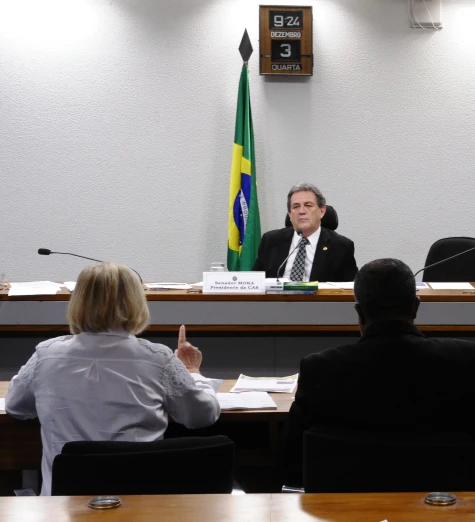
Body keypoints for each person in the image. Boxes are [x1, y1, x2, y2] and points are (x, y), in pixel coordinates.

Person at [281, 258, 475, 489]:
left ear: (359, 312)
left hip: (350, 508)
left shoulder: (320, 368)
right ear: (415, 307)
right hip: (451, 508)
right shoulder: (469, 360)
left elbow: (292, 456)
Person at [4, 262, 220, 495]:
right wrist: (194, 374)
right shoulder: (158, 359)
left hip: (64, 506)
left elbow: (16, 407)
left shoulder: (46, 355)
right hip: (142, 504)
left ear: (78, 302)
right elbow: (202, 415)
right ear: (136, 302)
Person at [251, 183, 358, 282]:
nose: (301, 211)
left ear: (322, 211)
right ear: (289, 214)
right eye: (296, 206)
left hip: (318, 302)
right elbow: (255, 282)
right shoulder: (271, 241)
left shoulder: (341, 247)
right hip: (276, 301)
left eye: (308, 205)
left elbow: (349, 289)